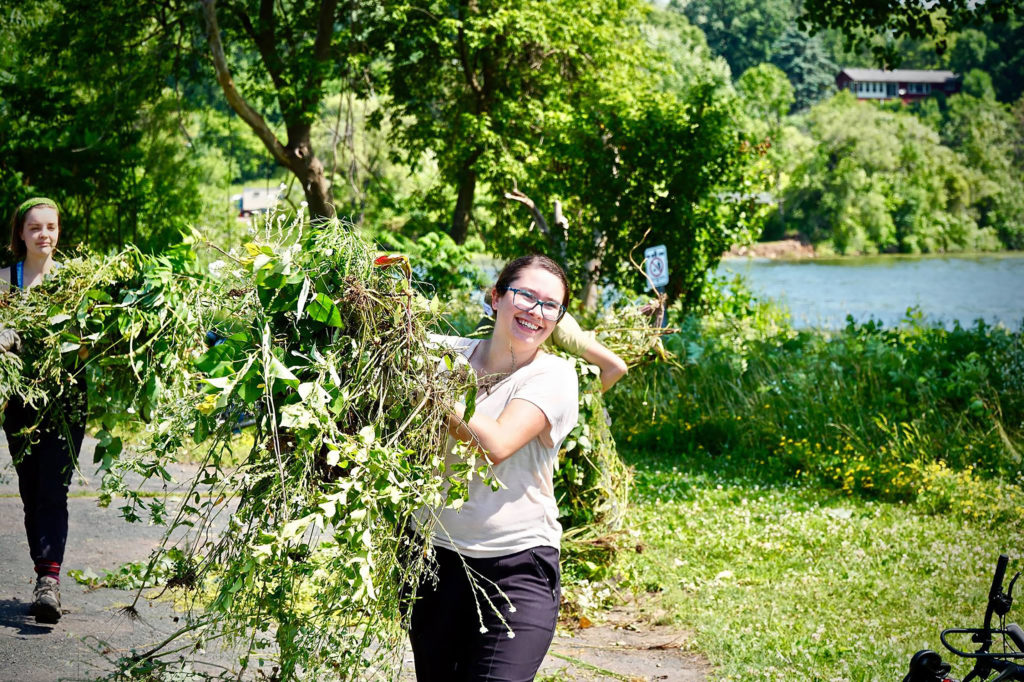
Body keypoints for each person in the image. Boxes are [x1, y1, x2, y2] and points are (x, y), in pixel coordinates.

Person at [410, 254, 580, 681]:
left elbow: (498, 443)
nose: (536, 312)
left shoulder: (555, 376)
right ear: (496, 297)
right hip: (433, 562)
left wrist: (429, 387)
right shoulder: (442, 354)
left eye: (550, 305)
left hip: (517, 567)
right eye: (525, 295)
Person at [1, 197, 87, 624]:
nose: (44, 235)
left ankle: (48, 582)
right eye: (35, 228)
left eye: (50, 227)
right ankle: (43, 571)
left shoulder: (75, 283)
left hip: (66, 398)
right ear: (21, 233)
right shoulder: (2, 283)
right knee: (32, 489)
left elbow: (92, 338)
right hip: (19, 403)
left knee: (55, 487)